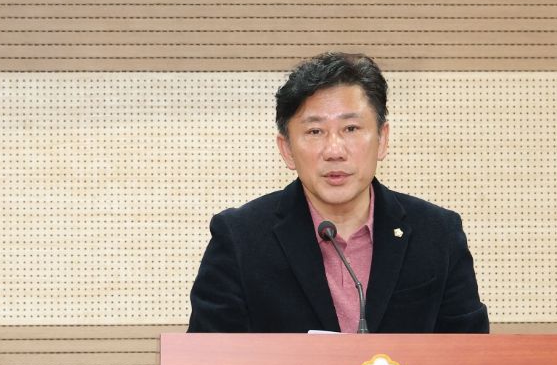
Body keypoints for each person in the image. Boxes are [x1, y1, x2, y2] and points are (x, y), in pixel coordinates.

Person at [188, 52, 488, 334]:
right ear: (287, 149)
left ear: (382, 139)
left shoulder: (437, 234)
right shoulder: (240, 239)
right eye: (315, 131)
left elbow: (471, 356)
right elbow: (209, 362)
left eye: (351, 129)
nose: (334, 150)